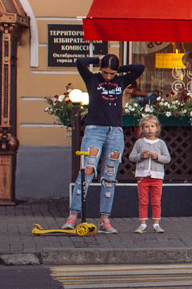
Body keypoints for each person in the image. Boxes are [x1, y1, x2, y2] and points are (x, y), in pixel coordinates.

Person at [62, 53, 145, 234]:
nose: (108, 76)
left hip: (115, 131)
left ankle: (104, 220)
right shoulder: (92, 79)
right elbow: (79, 61)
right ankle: (72, 217)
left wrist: (117, 68)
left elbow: (140, 68)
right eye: (105, 72)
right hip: (94, 130)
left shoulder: (121, 80)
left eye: (111, 73)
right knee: (87, 171)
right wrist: (97, 61)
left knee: (109, 175)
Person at [130, 114, 171, 234]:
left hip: (157, 176)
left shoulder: (161, 143)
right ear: (142, 129)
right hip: (142, 175)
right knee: (143, 201)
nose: (150, 129)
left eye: (152, 126)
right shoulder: (139, 142)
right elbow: (132, 157)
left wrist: (156, 156)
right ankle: (142, 223)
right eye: (146, 126)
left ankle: (156, 223)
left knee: (156, 200)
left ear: (157, 128)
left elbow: (167, 158)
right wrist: (141, 156)